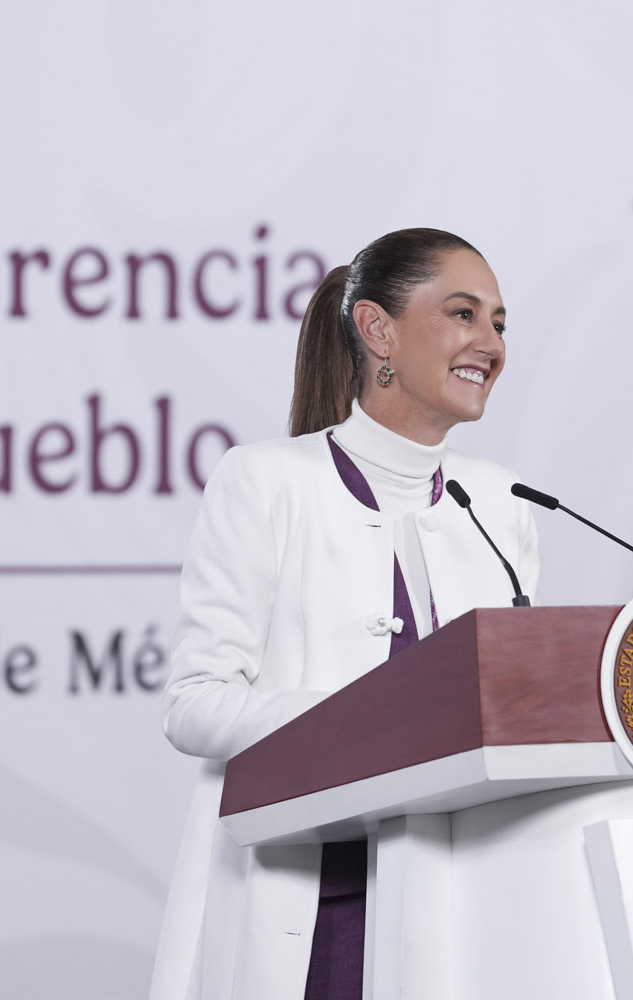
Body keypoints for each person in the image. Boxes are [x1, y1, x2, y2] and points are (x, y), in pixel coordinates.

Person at [149, 228, 540, 1000]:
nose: (489, 343)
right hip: (314, 913)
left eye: (499, 322)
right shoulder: (265, 482)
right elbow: (194, 706)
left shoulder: (503, 503)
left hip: (462, 923)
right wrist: (370, 719)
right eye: (464, 314)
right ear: (376, 329)